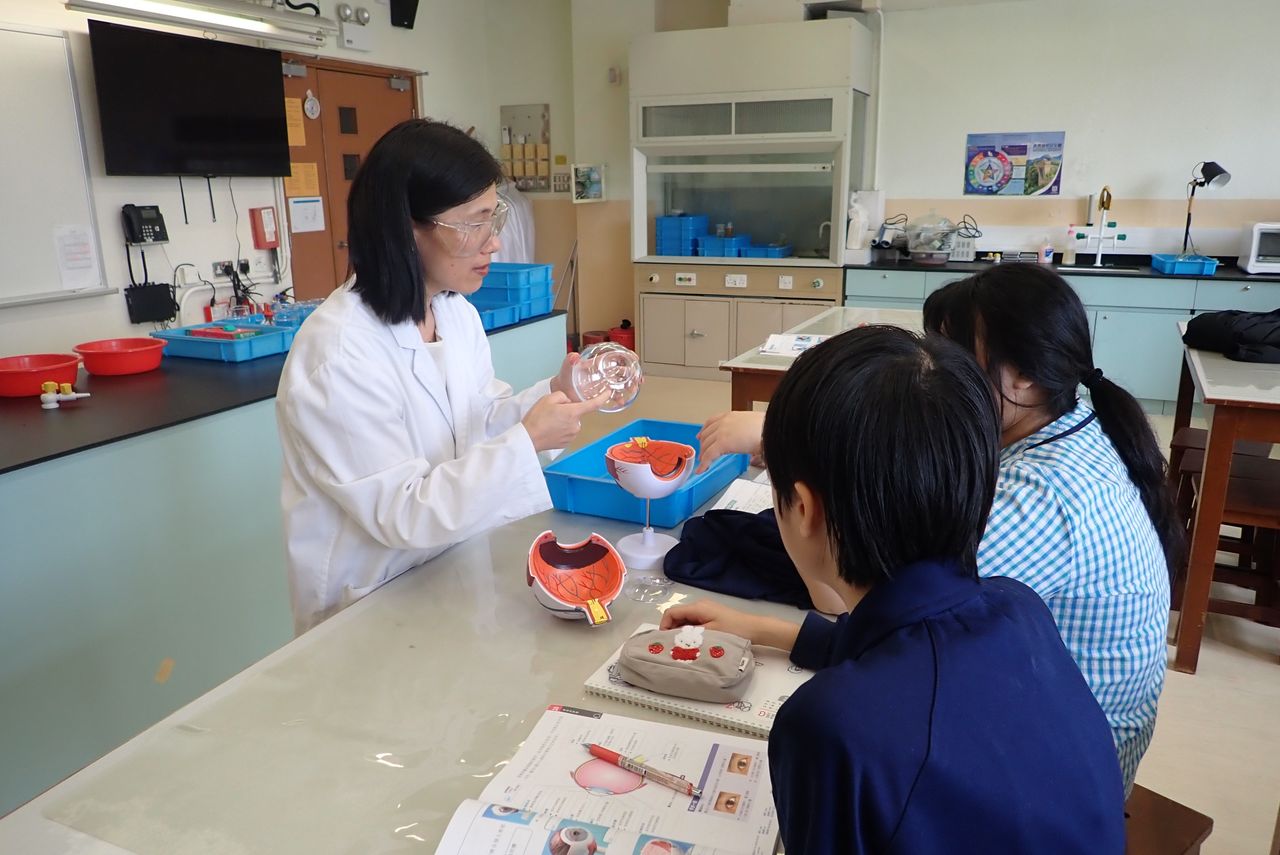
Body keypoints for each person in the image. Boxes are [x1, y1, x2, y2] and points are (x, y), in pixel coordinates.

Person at [696, 265, 1178, 792]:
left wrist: (787, 444)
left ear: (1025, 375)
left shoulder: (1038, 497)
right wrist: (762, 629)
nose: (938, 376)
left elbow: (864, 610)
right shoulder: (1068, 425)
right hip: (1041, 725)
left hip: (1051, 777)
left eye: (957, 358)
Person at [664, 326, 1125, 854]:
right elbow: (909, 657)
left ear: (804, 509)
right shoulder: (1016, 605)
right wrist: (766, 630)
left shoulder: (830, 727)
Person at [277, 119, 605, 634]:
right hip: (371, 603)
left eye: (493, 217)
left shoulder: (453, 312)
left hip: (449, 566)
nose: (494, 243)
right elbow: (402, 513)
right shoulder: (339, 354)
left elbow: (479, 419)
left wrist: (553, 396)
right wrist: (527, 440)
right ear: (407, 229)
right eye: (473, 224)